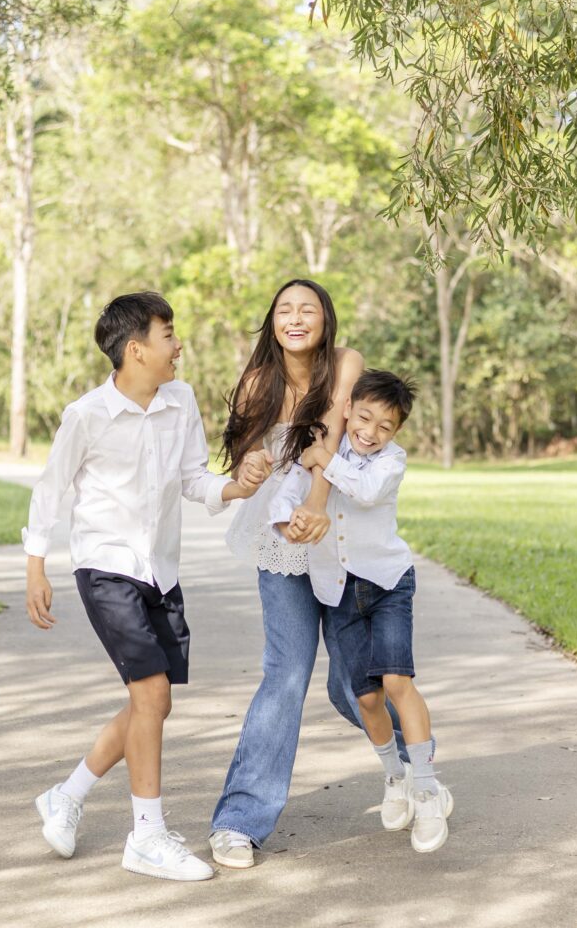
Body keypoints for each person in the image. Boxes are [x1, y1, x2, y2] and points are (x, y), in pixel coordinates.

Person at [24, 291, 265, 882]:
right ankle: (147, 836)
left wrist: (235, 487)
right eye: (168, 335)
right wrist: (36, 566)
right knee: (152, 694)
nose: (178, 346)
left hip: (160, 569)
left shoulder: (180, 400)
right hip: (106, 566)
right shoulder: (87, 415)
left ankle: (67, 795)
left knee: (152, 703)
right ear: (136, 349)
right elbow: (51, 489)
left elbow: (192, 478)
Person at [209, 277, 372, 869]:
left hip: (339, 532)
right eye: (285, 310)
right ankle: (239, 822)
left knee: (352, 684)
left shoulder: (346, 364)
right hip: (282, 536)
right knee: (286, 673)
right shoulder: (259, 380)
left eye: (307, 309)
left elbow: (329, 435)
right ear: (273, 322)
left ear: (325, 319)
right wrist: (251, 466)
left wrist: (317, 508)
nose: (296, 318)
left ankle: (417, 766)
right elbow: (248, 453)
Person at [270, 369, 453, 853]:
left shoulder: (390, 462)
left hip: (388, 584)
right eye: (364, 418)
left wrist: (324, 458)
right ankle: (395, 776)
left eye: (384, 426)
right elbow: (287, 496)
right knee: (366, 698)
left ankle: (427, 790)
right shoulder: (321, 450)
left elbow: (365, 490)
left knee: (397, 682)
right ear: (347, 409)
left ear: (397, 431)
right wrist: (288, 522)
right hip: (337, 592)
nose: (370, 432)